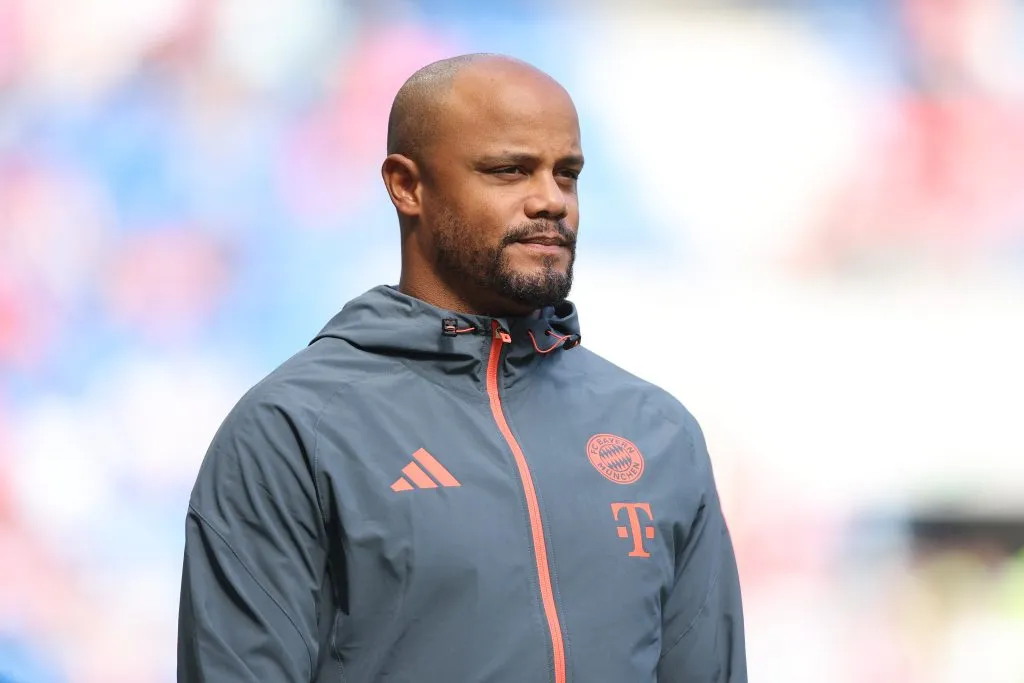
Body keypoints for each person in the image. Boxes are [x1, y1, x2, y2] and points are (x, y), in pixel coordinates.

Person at [177, 53, 747, 683]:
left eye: (568, 175)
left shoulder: (657, 431)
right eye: (509, 171)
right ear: (407, 186)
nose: (550, 201)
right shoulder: (292, 430)